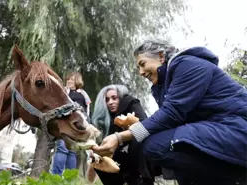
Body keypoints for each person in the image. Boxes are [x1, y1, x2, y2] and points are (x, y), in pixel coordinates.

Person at [92, 39, 247, 185]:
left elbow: (171, 114)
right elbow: (170, 122)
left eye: (142, 64)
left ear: (161, 56)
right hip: (218, 130)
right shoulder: (163, 86)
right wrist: (136, 127)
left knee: (156, 145)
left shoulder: (187, 64)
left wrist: (119, 137)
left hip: (237, 128)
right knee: (162, 144)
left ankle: (237, 177)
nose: (140, 72)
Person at [90, 84, 156, 185]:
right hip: (121, 154)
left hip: (141, 151)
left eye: (114, 98)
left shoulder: (131, 103)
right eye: (107, 100)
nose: (110, 102)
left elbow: (144, 124)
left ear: (120, 97)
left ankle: (144, 181)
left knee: (138, 138)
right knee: (98, 158)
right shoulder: (107, 119)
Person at [50, 72, 91, 175]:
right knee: (69, 150)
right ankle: (67, 178)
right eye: (68, 79)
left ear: (77, 81)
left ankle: (58, 177)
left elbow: (86, 110)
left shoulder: (74, 94)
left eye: (72, 79)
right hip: (71, 125)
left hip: (71, 125)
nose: (69, 81)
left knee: (65, 150)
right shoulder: (79, 94)